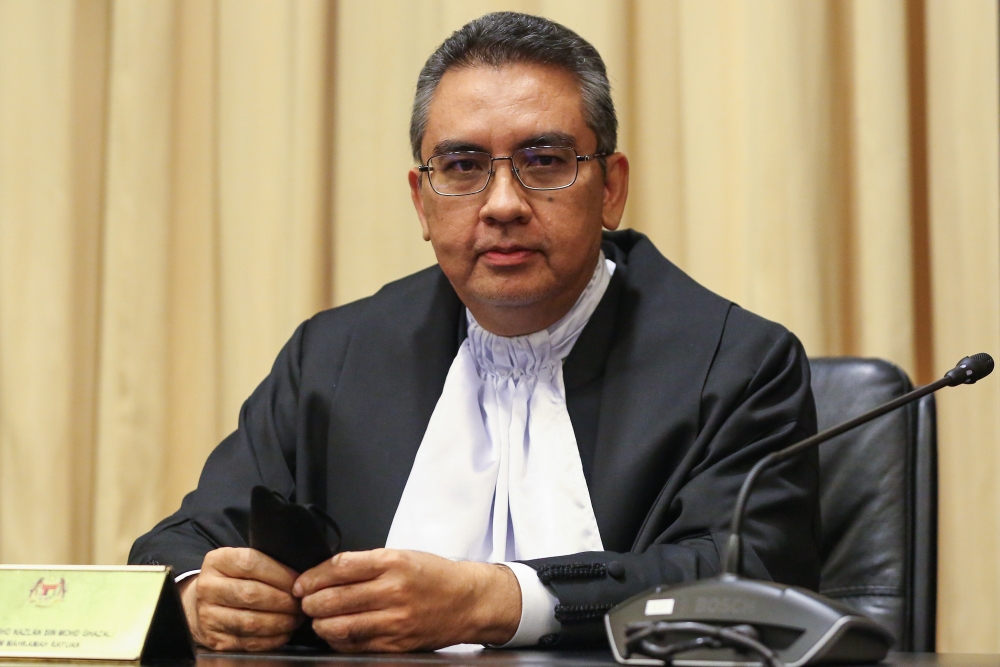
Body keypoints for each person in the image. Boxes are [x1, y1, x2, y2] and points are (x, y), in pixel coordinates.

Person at [129, 12, 820, 654]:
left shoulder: (737, 364)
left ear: (611, 188)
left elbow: (749, 580)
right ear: (421, 201)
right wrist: (200, 595)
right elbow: (181, 541)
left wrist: (497, 599)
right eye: (462, 167)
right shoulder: (333, 357)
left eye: (544, 161)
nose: (503, 204)